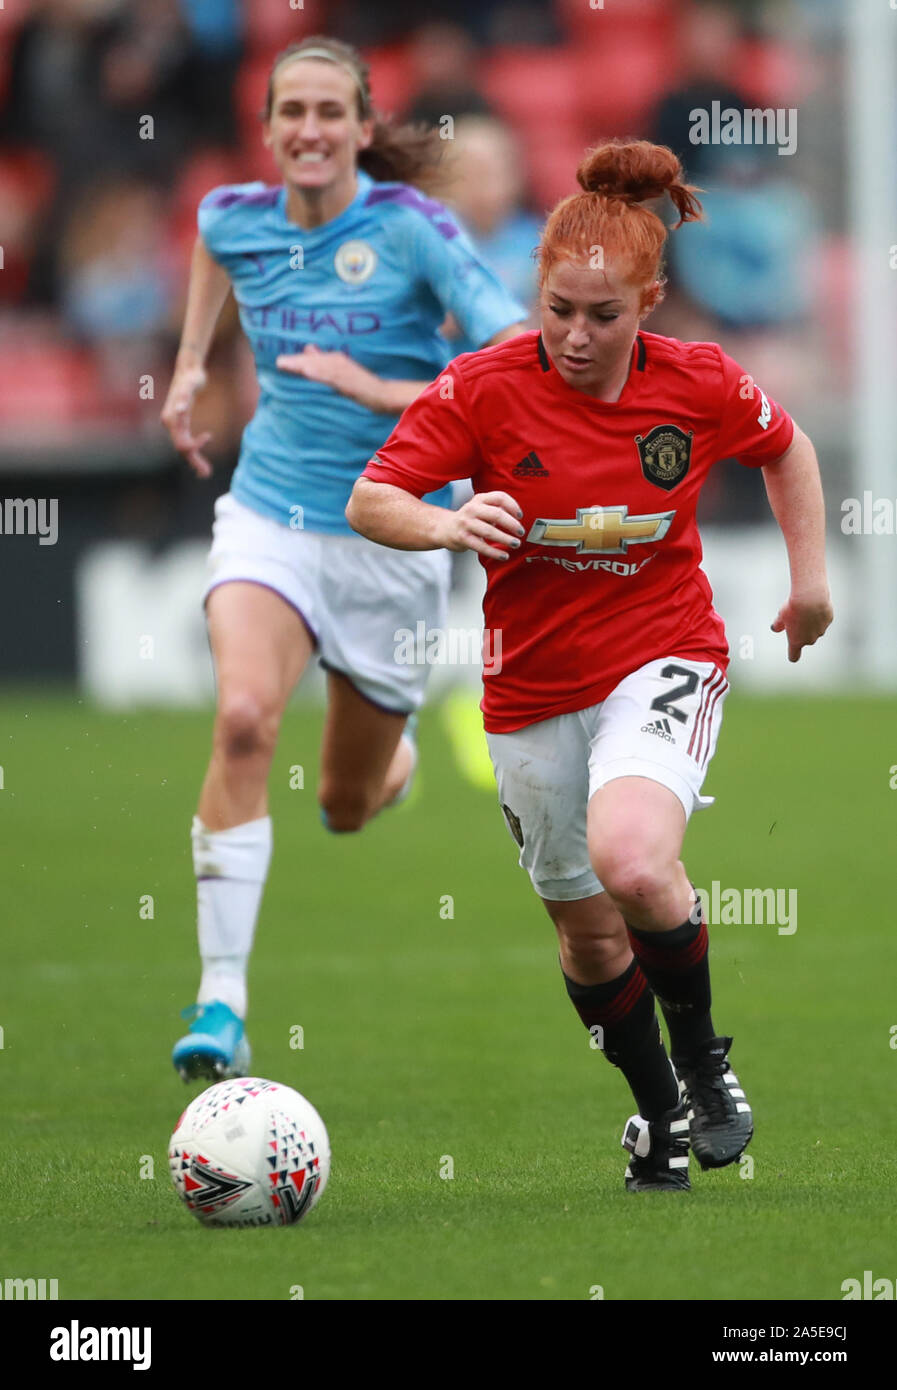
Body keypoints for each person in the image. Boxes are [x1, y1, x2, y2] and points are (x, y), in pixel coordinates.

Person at [347, 139, 833, 1191]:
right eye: (558, 309)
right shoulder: (482, 387)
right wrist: (446, 525)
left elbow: (787, 447)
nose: (574, 334)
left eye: (602, 316)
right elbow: (370, 498)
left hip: (663, 651)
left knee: (635, 861)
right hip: (530, 687)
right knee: (588, 936)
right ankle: (657, 1116)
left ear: (651, 302)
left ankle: (706, 1067)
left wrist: (810, 583)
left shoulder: (699, 382)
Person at [161, 35, 525, 1083]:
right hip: (271, 514)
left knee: (342, 807)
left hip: (395, 535)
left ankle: (391, 767)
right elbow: (209, 251)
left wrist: (376, 392)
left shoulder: (413, 232)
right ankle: (221, 998)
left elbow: (508, 368)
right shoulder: (233, 217)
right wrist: (189, 366)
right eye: (292, 112)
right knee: (241, 721)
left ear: (364, 128)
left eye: (331, 112)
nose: (309, 130)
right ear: (268, 127)